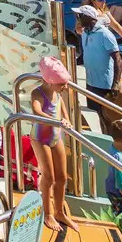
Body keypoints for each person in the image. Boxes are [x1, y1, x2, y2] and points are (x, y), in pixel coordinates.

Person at [30, 56, 75, 229]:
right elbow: (36, 110)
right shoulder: (38, 93)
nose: (65, 87)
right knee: (48, 176)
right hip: (41, 138)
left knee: (62, 177)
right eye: (61, 84)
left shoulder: (58, 95)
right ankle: (47, 213)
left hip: (56, 137)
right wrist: (55, 121)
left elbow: (64, 114)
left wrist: (66, 121)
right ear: (49, 81)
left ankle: (59, 212)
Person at [77, 12, 122, 131]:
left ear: (90, 18)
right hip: (91, 82)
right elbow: (84, 55)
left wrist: (116, 83)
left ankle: (114, 144)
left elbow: (118, 60)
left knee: (110, 118)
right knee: (99, 114)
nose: (77, 18)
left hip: (106, 84)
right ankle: (106, 139)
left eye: (80, 16)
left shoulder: (105, 34)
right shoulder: (84, 34)